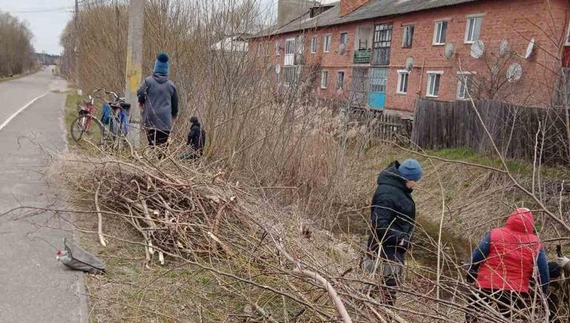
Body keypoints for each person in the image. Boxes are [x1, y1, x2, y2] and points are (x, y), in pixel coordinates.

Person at [465, 208, 550, 323]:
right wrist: (543, 291)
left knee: (472, 316)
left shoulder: (494, 234)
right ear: (531, 223)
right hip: (516, 291)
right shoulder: (535, 243)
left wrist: (471, 272)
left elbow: (477, 255)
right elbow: (543, 270)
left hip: (486, 284)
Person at [362, 158, 423, 306]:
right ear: (407, 179)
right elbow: (379, 224)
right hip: (383, 253)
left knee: (383, 291)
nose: (416, 184)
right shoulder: (388, 194)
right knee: (384, 293)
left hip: (391, 252)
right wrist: (400, 239)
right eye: (415, 180)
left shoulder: (398, 189)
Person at [137, 52, 179, 146]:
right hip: (165, 120)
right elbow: (175, 105)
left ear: (156, 67)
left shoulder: (148, 81)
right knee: (162, 146)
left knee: (152, 143)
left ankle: (153, 158)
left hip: (150, 118)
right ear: (167, 69)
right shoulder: (171, 85)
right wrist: (174, 116)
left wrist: (141, 103)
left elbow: (140, 94)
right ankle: (161, 158)